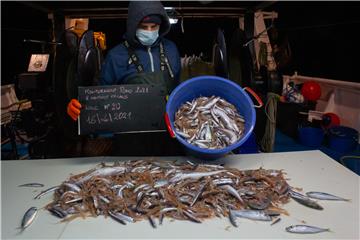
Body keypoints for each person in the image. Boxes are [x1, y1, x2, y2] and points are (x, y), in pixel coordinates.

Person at [66, 0, 183, 156]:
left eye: (154, 27)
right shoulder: (116, 55)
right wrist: (78, 108)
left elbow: (179, 90)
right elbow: (99, 98)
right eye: (143, 26)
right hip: (130, 140)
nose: (149, 31)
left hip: (169, 136)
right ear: (133, 25)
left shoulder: (171, 49)